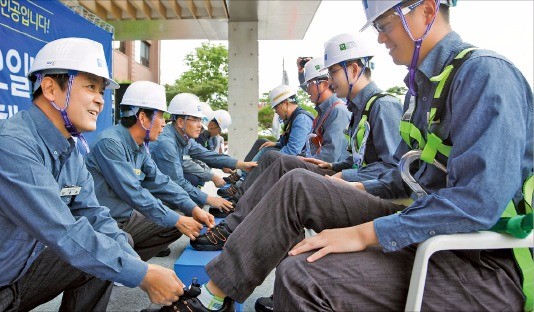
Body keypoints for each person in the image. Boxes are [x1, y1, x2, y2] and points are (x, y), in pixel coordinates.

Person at [144, 0, 533, 311]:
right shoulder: (422, 87)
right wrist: (337, 179)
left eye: (384, 25)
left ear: (427, 12)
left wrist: (365, 233)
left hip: (481, 261)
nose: (381, 39)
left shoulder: (484, 76)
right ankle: (213, 295)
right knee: (298, 183)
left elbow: (477, 201)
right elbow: (402, 176)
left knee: (302, 273)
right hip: (426, 224)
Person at [0, 38, 185, 311]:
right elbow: (62, 230)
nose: (100, 99)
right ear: (50, 88)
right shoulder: (7, 146)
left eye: (101, 90)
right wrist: (143, 276)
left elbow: (95, 214)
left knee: (107, 251)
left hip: (18, 276)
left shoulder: (70, 149)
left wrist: (136, 265)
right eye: (90, 86)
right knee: (91, 249)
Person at [211, 33, 403, 212]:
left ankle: (239, 216)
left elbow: (393, 170)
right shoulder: (357, 109)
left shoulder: (381, 106)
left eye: (332, 73)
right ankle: (241, 214)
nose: (329, 81)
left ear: (353, 69)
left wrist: (345, 175)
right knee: (276, 160)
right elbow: (359, 160)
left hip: (365, 190)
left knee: (287, 172)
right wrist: (335, 167)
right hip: (349, 179)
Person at [85, 81, 215, 261]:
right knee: (172, 222)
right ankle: (121, 264)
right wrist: (178, 219)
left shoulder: (140, 146)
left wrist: (192, 208)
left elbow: (160, 180)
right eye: (161, 116)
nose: (163, 124)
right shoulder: (110, 143)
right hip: (105, 221)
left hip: (126, 217)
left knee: (172, 225)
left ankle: (127, 262)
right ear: (143, 118)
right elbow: (133, 193)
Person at [150, 93, 257, 216]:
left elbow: (207, 155)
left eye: (200, 120)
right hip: (155, 194)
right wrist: (209, 199)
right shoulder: (167, 143)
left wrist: (240, 164)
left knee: (194, 206)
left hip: (165, 187)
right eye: (195, 120)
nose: (200, 125)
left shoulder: (185, 138)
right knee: (183, 218)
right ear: (180, 122)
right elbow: (177, 182)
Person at [218, 84, 314, 198]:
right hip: (295, 156)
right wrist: (276, 144)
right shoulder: (293, 118)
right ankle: (241, 174)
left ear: (284, 104)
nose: (276, 112)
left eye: (276, 108)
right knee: (262, 143)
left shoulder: (301, 119)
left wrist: (269, 154)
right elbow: (290, 142)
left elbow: (293, 150)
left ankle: (241, 188)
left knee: (267, 153)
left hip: (299, 161)